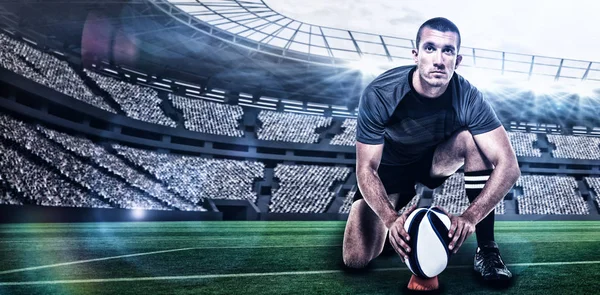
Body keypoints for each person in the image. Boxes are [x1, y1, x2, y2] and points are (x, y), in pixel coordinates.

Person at [342, 17, 521, 282]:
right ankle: (401, 232)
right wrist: (391, 219)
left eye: (448, 51)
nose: (439, 59)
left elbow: (509, 166)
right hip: (389, 167)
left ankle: (487, 250)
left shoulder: (469, 97)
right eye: (430, 48)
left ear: (457, 60)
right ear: (416, 55)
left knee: (472, 141)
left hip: (434, 161)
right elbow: (366, 167)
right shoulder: (380, 93)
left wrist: (470, 217)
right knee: (356, 259)